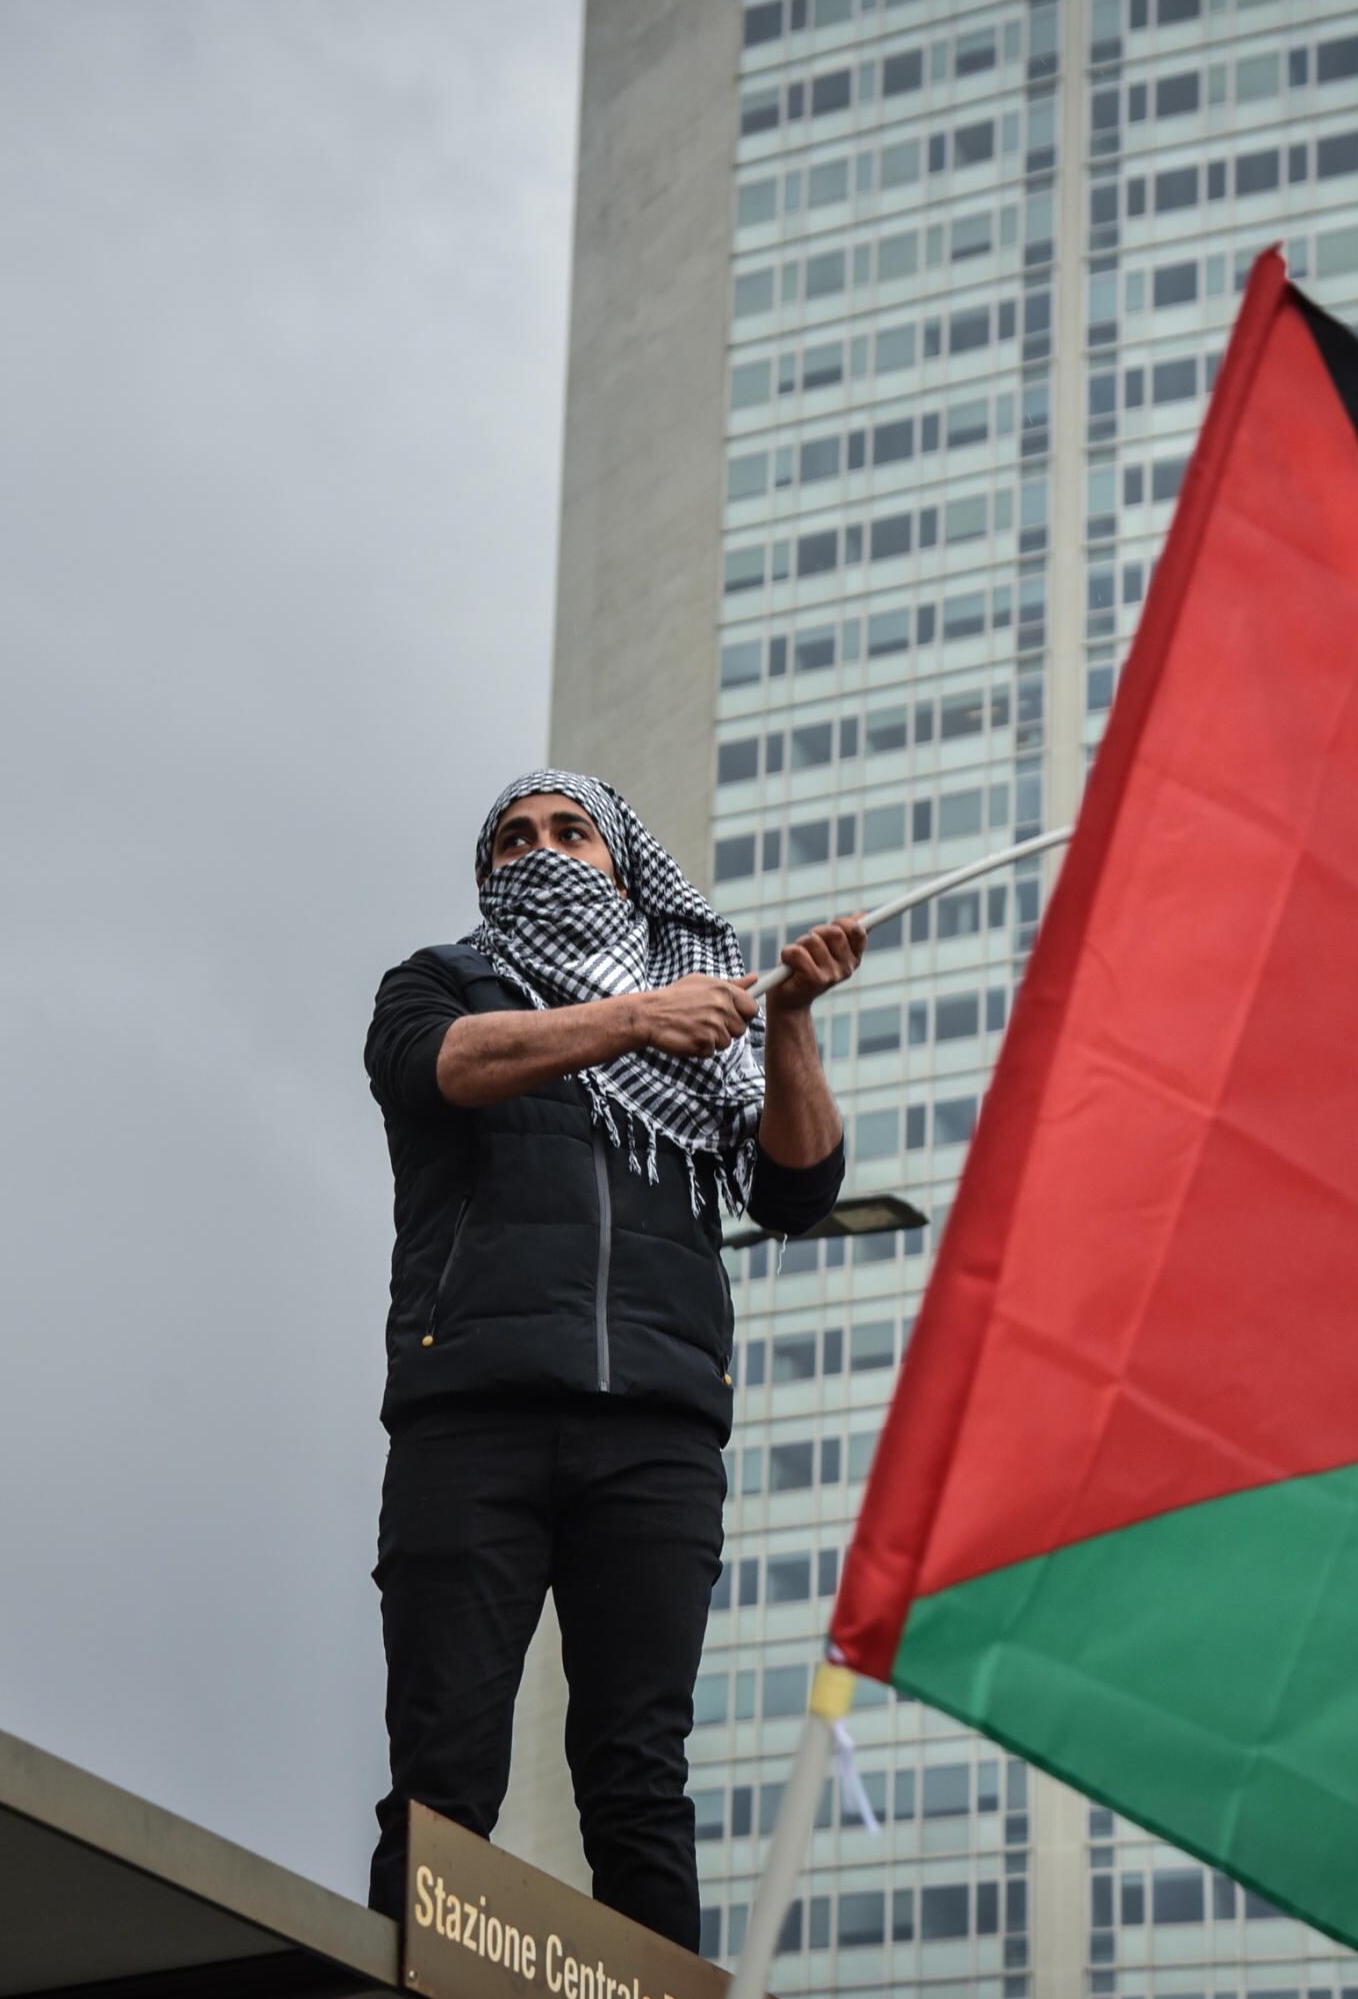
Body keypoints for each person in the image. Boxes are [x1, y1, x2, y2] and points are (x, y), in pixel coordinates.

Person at [361, 768, 865, 1947]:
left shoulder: (707, 1032)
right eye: (514, 839)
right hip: (470, 1421)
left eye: (571, 831)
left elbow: (798, 1188)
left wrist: (786, 1018)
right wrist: (637, 1019)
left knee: (641, 1784)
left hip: (656, 1433)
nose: (541, 849)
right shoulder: (443, 985)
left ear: (621, 862)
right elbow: (441, 1066)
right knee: (445, 1773)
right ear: (485, 876)